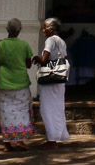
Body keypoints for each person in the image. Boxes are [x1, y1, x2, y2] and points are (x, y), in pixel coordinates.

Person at [0, 18, 35, 150]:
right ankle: (20, 141)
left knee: (5, 112)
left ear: (7, 29)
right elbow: (28, 64)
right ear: (19, 30)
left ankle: (6, 143)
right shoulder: (24, 45)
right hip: (21, 82)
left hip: (3, 83)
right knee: (22, 111)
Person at [33, 17, 70, 147]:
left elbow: (44, 59)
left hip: (49, 80)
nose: (43, 30)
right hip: (59, 80)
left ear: (51, 29)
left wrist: (37, 58)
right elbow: (64, 58)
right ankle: (59, 136)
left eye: (45, 28)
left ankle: (51, 140)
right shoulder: (62, 41)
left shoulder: (50, 40)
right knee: (58, 108)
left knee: (46, 108)